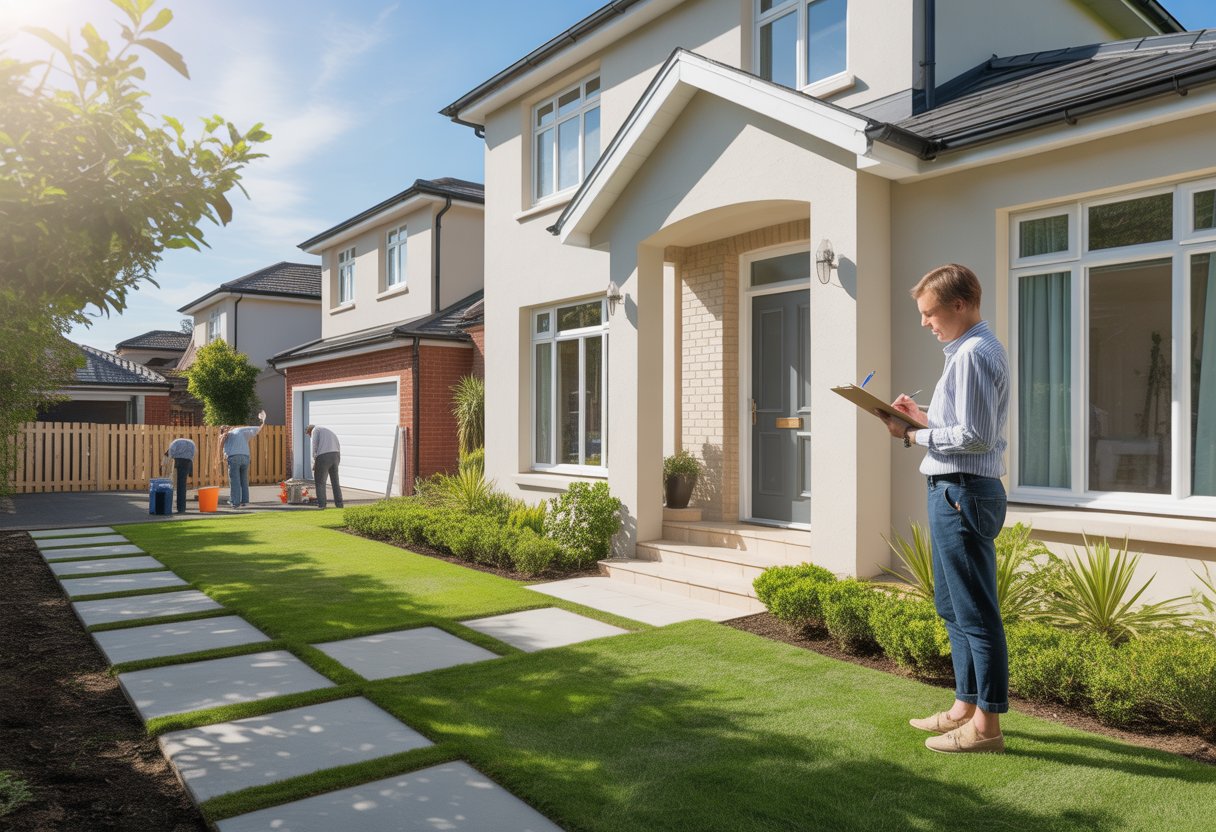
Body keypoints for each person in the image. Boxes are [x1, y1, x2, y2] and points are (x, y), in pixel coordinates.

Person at [878, 263, 1010, 755]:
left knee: (976, 612)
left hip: (963, 491)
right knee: (953, 606)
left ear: (960, 305)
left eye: (929, 312)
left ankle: (987, 729)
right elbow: (962, 426)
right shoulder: (967, 351)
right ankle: (964, 706)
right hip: (955, 486)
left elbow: (975, 437)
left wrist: (913, 434)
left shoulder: (974, 353)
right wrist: (920, 418)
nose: (924, 322)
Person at [218, 410, 266, 508]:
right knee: (244, 480)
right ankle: (245, 501)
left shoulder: (225, 434)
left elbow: (222, 440)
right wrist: (262, 422)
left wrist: (222, 455)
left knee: (235, 481)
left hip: (234, 457)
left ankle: (235, 502)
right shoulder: (240, 431)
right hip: (245, 457)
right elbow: (254, 429)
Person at [305, 424, 343, 510]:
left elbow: (314, 447)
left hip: (323, 456)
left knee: (320, 483)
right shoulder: (328, 431)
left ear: (309, 431)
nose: (310, 436)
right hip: (336, 455)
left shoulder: (315, 430)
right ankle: (339, 505)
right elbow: (338, 445)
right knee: (335, 483)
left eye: (309, 435)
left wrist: (315, 460)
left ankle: (322, 505)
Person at [163, 436, 196, 514]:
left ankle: (180, 508)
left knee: (178, 485)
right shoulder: (190, 443)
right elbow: (193, 454)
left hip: (179, 460)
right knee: (182, 485)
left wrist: (171, 459)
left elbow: (170, 455)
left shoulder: (173, 444)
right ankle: (182, 507)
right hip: (188, 460)